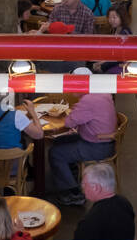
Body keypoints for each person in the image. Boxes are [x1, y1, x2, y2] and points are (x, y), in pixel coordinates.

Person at [47, 70, 117, 206]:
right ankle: (70, 175)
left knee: (55, 153)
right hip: (106, 142)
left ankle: (73, 193)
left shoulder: (88, 100)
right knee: (58, 141)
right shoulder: (103, 93)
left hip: (97, 147)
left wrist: (74, 111)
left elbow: (69, 122)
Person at [72, 162, 136, 240]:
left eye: (84, 184)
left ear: (96, 188)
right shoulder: (125, 203)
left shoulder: (90, 222)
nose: (82, 189)